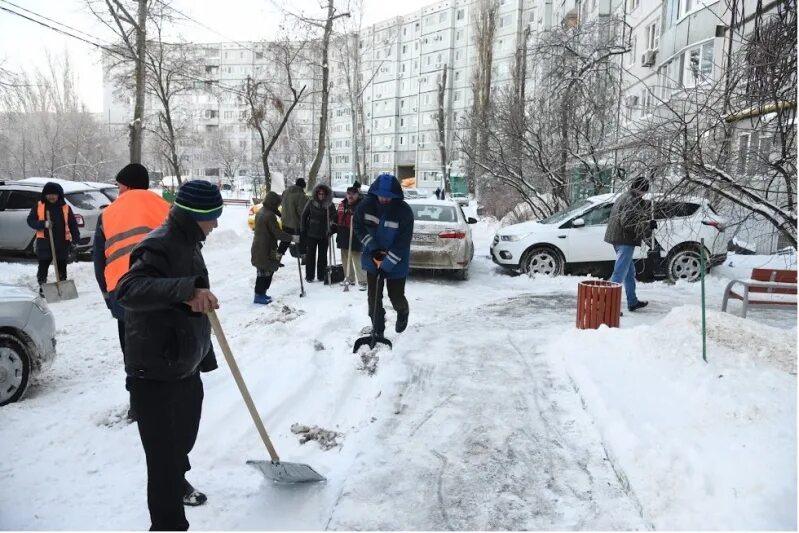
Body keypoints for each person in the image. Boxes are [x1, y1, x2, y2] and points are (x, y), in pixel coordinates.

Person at [116, 180, 223, 531]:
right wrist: (187, 289)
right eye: (214, 217)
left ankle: (177, 479)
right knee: (162, 461)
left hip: (183, 366)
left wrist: (202, 356)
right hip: (155, 372)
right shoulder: (159, 244)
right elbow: (128, 290)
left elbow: (189, 301)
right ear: (198, 215)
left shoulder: (190, 241)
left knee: (183, 442)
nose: (217, 224)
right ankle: (168, 524)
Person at [93, 163, 171, 422]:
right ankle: (166, 397)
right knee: (163, 344)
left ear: (126, 185)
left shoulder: (108, 214)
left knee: (133, 351)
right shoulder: (165, 208)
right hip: (163, 291)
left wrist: (108, 297)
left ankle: (138, 404)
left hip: (124, 293)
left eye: (118, 186)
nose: (117, 190)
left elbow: (98, 260)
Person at [353, 173, 414, 336]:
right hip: (373, 258)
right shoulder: (365, 206)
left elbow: (402, 243)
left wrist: (386, 265)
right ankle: (378, 329)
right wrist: (372, 248)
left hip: (396, 260)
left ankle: (403, 311)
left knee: (396, 297)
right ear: (375, 193)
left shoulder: (404, 212)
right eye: (381, 196)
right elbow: (358, 227)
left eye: (389, 197)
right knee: (373, 299)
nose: (385, 200)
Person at [604, 175, 652, 312]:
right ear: (641, 189)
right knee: (619, 273)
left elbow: (632, 215)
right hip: (624, 240)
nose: (645, 194)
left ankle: (632, 301)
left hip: (618, 238)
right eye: (645, 191)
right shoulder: (631, 200)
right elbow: (628, 222)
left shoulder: (626, 196)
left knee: (629, 272)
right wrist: (646, 227)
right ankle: (609, 307)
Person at [26, 182, 81, 290]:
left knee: (61, 263)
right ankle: (43, 285)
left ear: (59, 195)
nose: (51, 197)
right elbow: (30, 220)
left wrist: (75, 238)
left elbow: (73, 224)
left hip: (62, 242)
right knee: (43, 263)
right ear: (44, 195)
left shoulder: (65, 208)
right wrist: (43, 224)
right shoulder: (39, 206)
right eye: (49, 194)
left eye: (54, 194)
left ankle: (62, 284)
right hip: (44, 242)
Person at [251, 191, 300, 304]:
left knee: (263, 271)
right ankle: (259, 295)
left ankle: (261, 294)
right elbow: (278, 234)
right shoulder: (269, 216)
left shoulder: (261, 211)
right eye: (277, 204)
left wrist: (280, 214)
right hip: (265, 248)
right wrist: (293, 238)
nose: (278, 206)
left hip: (259, 246)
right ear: (273, 203)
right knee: (265, 272)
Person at [300, 183, 336, 283]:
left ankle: (321, 275)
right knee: (310, 255)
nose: (321, 196)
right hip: (311, 233)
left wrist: (332, 225)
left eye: (323, 194)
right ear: (316, 193)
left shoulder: (330, 205)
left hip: (324, 234)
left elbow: (334, 216)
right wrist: (303, 229)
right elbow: (304, 216)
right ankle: (309, 276)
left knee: (323, 256)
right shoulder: (311, 203)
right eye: (320, 193)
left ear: (326, 194)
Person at [335, 181, 367, 290]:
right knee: (345, 258)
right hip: (343, 234)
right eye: (349, 193)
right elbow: (337, 218)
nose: (350, 196)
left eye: (353, 194)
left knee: (357, 257)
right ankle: (349, 278)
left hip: (356, 234)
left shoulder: (362, 205)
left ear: (357, 195)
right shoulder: (341, 204)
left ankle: (363, 281)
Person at [278, 178, 308, 258]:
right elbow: (302, 211)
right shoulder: (301, 195)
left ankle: (277, 257)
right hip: (296, 224)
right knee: (301, 240)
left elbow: (282, 204)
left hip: (285, 222)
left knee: (285, 240)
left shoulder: (285, 192)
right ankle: (304, 257)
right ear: (303, 186)